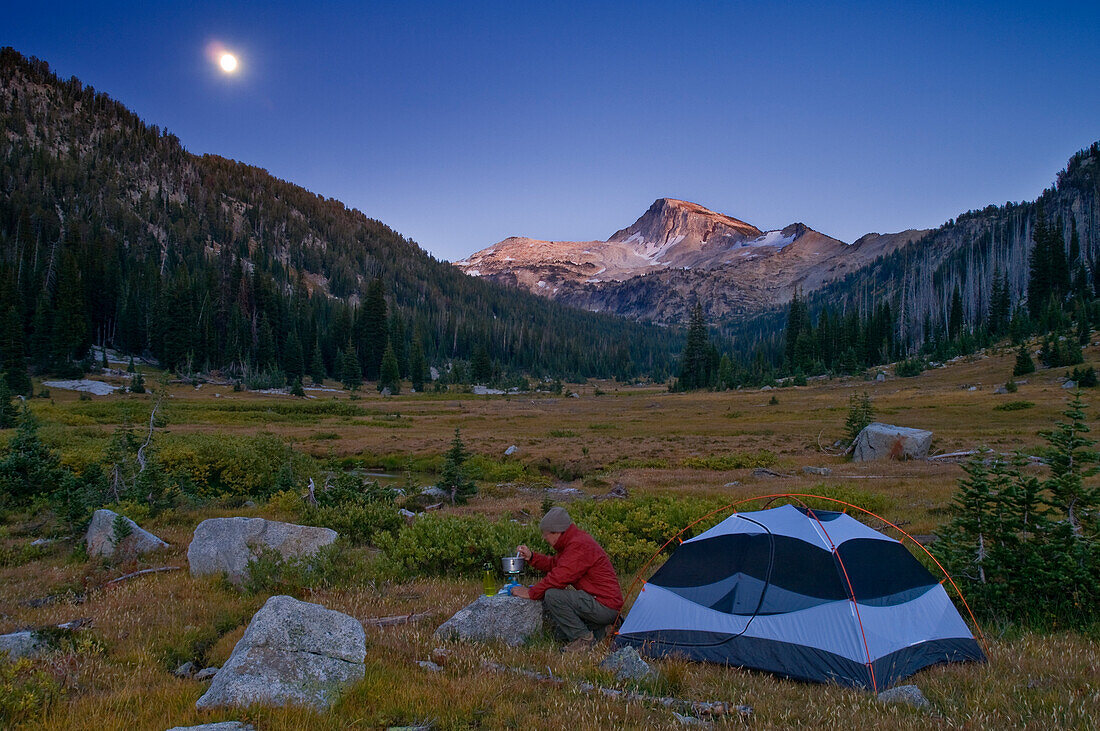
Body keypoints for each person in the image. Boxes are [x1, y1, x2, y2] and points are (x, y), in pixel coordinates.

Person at [511, 506, 624, 652]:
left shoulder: (578, 545)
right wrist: (532, 557)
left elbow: (558, 578)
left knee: (553, 595)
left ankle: (583, 639)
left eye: (546, 534)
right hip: (604, 604)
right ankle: (604, 630)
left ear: (557, 532)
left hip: (604, 605)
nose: (544, 538)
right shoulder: (573, 541)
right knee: (559, 633)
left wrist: (531, 593)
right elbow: (555, 564)